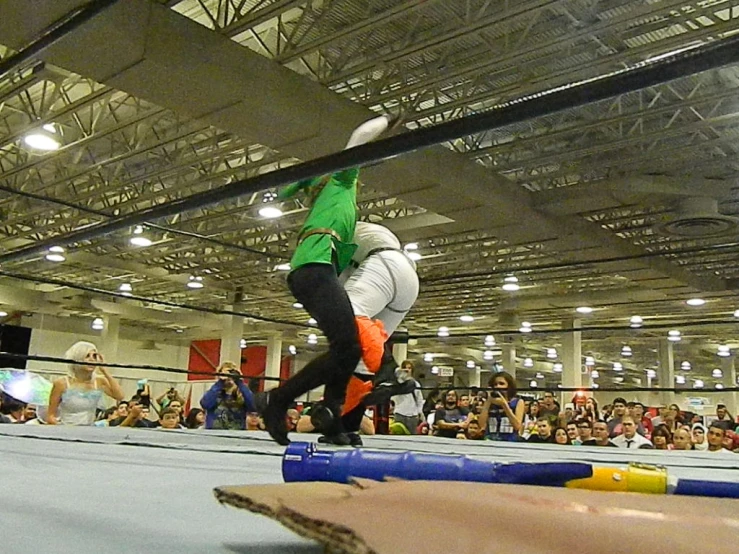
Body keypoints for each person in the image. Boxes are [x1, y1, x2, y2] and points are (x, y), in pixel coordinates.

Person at [256, 115, 392, 446]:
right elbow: (359, 136)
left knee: (347, 349)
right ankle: (279, 398)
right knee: (347, 346)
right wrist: (389, 118)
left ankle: (333, 421)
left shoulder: (326, 203)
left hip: (317, 270)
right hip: (313, 268)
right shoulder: (342, 184)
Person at [46, 341, 124, 425]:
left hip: (89, 430)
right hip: (66, 429)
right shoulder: (61, 383)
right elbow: (50, 415)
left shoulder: (99, 381)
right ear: (77, 358)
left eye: (94, 356)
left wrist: (105, 370)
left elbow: (120, 396)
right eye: (87, 356)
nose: (91, 359)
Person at [200, 362, 255, 430]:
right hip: (214, 434)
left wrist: (239, 382)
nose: (229, 376)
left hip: (237, 435)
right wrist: (220, 382)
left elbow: (253, 406)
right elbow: (206, 404)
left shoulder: (242, 393)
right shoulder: (214, 391)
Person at [478, 372, 524, 442]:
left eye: (501, 384)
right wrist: (488, 402)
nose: (498, 386)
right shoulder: (489, 402)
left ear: (509, 386)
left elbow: (517, 426)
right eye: (495, 384)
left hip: (510, 441)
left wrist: (504, 405)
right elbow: (481, 425)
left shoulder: (518, 402)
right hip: (490, 440)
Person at [389, 361, 424, 436]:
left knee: (412, 437)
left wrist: (418, 412)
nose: (407, 370)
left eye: (409, 368)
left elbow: (419, 400)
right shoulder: (397, 383)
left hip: (413, 416)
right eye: (405, 368)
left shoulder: (416, 384)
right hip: (399, 414)